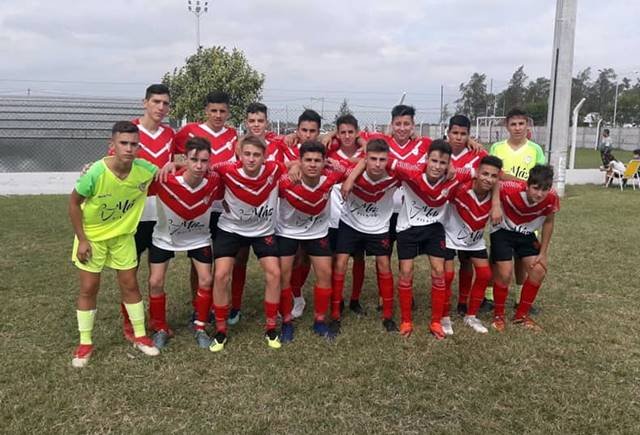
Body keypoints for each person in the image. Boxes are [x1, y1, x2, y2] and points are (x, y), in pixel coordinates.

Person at [69, 121, 160, 368]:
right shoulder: (96, 172)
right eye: (123, 143)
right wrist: (83, 240)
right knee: (89, 287)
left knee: (130, 284)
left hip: (122, 237)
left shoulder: (144, 170)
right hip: (93, 237)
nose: (129, 148)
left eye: (134, 144)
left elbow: (169, 171)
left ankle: (140, 336)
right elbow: (74, 203)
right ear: (112, 145)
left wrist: (178, 162)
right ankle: (85, 343)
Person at [390, 140, 475, 339]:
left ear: (449, 164)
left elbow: (485, 172)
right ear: (426, 159)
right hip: (408, 228)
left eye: (443, 163)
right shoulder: (411, 171)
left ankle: (436, 322)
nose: (437, 166)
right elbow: (381, 160)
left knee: (439, 272)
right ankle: (406, 321)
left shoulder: (455, 175)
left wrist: (495, 202)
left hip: (434, 228)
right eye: (434, 161)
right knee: (406, 272)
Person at [208, 135, 286, 352]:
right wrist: (174, 165)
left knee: (274, 274)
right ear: (239, 154)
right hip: (231, 229)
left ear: (264, 156)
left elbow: (295, 165)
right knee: (221, 275)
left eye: (256, 155)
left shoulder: (274, 168)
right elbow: (201, 168)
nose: (251, 159)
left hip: (263, 231)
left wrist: (297, 166)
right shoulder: (225, 169)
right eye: (247, 154)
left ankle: (271, 328)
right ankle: (221, 330)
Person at [147, 137, 222, 349]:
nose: (199, 166)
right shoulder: (164, 179)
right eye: (194, 160)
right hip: (165, 238)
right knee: (155, 282)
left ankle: (200, 327)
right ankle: (160, 328)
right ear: (185, 159)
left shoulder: (214, 179)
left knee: (206, 280)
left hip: (199, 238)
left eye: (204, 161)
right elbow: (131, 178)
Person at [172, 91, 238, 324]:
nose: (218, 115)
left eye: (222, 111)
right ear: (206, 111)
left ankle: (222, 305)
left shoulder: (233, 135)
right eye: (213, 111)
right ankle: (197, 306)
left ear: (228, 112)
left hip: (224, 207)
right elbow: (173, 156)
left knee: (224, 260)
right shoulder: (188, 131)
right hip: (198, 204)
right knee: (199, 258)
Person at [116, 84, 175, 342]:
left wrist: (177, 162)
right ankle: (130, 323)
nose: (161, 107)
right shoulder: (129, 131)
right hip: (132, 215)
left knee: (157, 277)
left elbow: (182, 159)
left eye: (165, 103)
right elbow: (114, 165)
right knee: (129, 275)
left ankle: (158, 322)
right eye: (156, 102)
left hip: (161, 213)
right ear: (145, 102)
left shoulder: (171, 134)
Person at [276, 141, 346, 341]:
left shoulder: (331, 176)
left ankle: (320, 321)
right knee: (284, 276)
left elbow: (352, 167)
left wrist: (336, 164)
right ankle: (286, 322)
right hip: (288, 232)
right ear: (300, 161)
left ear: (324, 162)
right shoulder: (286, 181)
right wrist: (290, 166)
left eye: (317, 160)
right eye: (308, 160)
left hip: (318, 233)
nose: (313, 164)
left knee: (325, 274)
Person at [332, 139, 400, 335]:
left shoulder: (396, 175)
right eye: (373, 159)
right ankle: (335, 315)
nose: (377, 164)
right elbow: (322, 166)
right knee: (340, 263)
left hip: (379, 227)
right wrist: (351, 177)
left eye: (382, 159)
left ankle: (388, 317)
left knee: (384, 265)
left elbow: (423, 170)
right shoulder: (348, 171)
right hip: (350, 224)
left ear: (388, 159)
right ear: (365, 159)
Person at [487, 108, 546, 312]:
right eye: (513, 124)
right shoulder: (497, 148)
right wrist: (495, 203)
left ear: (527, 125)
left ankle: (520, 298)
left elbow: (540, 180)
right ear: (507, 126)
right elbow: (494, 176)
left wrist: (511, 179)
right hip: (502, 209)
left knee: (522, 256)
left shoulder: (535, 150)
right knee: (497, 255)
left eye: (521, 124)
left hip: (526, 212)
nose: (518, 128)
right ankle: (489, 296)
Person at [490, 164, 559, 331]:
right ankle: (498, 316)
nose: (540, 194)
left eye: (545, 189)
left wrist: (543, 253)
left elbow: (549, 222)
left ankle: (521, 316)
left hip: (526, 235)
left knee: (539, 270)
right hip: (502, 231)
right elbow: (496, 181)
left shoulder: (552, 197)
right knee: (505, 273)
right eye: (535, 188)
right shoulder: (512, 188)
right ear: (527, 185)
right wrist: (496, 204)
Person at [443, 156, 503, 334]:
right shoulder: (460, 189)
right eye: (485, 174)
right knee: (447, 275)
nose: (488, 179)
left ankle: (471, 316)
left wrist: (497, 202)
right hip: (449, 236)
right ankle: (444, 317)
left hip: (474, 240)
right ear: (476, 172)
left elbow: (517, 185)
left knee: (485, 274)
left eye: (493, 176)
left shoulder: (496, 192)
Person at [279, 109, 323, 319]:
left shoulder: (323, 149)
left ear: (319, 132)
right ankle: (290, 294)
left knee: (305, 258)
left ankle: (297, 294)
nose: (308, 135)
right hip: (287, 216)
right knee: (291, 259)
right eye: (304, 130)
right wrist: (292, 165)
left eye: (312, 131)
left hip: (313, 217)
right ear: (297, 130)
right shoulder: (284, 146)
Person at [445, 115, 489, 318]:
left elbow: (494, 176)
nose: (458, 137)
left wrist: (495, 203)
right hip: (442, 215)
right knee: (446, 268)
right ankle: (444, 307)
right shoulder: (439, 151)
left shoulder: (478, 154)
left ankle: (463, 302)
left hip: (466, 216)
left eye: (463, 134)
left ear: (469, 135)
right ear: (448, 133)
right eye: (455, 133)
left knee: (466, 261)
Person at [326, 114, 367, 315]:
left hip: (357, 216)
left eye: (351, 132)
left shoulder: (365, 152)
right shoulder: (331, 152)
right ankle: (338, 298)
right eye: (343, 132)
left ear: (357, 133)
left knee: (359, 257)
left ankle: (355, 299)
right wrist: (329, 134)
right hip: (334, 217)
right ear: (338, 133)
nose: (347, 136)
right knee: (336, 259)